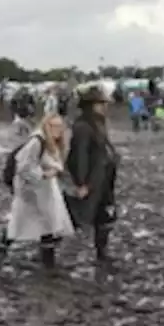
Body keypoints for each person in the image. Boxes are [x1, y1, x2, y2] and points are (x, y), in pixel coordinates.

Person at [0, 113, 75, 271]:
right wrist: (44, 174)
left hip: (44, 189)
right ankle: (0, 253)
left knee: (49, 223)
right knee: (21, 223)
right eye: (53, 126)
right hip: (31, 191)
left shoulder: (52, 142)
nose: (57, 130)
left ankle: (48, 262)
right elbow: (23, 166)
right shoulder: (37, 141)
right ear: (45, 125)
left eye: (59, 127)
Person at [65, 85, 119, 264]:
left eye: (105, 103)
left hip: (104, 178)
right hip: (90, 181)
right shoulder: (83, 126)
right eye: (100, 103)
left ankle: (102, 253)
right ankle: (46, 252)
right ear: (90, 105)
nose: (105, 107)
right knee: (72, 217)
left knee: (105, 216)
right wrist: (81, 182)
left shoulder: (98, 123)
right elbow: (78, 156)